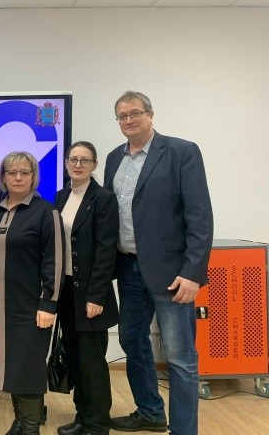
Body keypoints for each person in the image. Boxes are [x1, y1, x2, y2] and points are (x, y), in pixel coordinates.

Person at [105, 91, 213, 435]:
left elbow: (200, 217)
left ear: (150, 115)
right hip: (128, 267)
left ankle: (183, 430)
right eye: (122, 116)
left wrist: (193, 272)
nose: (128, 120)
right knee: (131, 341)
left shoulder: (181, 152)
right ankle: (150, 412)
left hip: (172, 273)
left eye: (135, 113)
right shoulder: (113, 158)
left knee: (180, 357)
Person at [0, 151, 64, 435]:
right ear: (3, 177)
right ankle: (20, 420)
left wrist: (48, 303)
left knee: (28, 363)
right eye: (12, 173)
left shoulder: (46, 212)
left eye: (25, 172)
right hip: (0, 304)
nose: (18, 178)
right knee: (10, 362)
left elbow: (55, 260)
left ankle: (31, 425)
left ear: (33, 177)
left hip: (31, 305)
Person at [53, 141, 119, 435]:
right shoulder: (61, 196)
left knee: (92, 361)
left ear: (94, 165)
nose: (78, 165)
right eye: (73, 159)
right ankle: (83, 417)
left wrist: (96, 296)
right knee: (75, 357)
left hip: (91, 293)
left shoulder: (103, 199)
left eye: (85, 160)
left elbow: (106, 251)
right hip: (67, 290)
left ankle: (98, 423)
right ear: (66, 163)